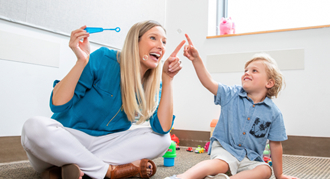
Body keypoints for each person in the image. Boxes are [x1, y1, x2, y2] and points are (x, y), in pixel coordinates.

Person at [21, 20, 186, 179]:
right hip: (67, 138)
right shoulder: (104, 58)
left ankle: (69, 169)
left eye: (164, 42)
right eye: (153, 38)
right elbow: (58, 105)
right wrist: (82, 61)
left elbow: (162, 128)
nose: (161, 46)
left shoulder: (154, 84)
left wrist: (168, 78)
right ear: (135, 42)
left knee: (163, 140)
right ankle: (109, 171)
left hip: (105, 144)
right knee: (33, 127)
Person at [165, 34, 298, 179]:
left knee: (265, 171)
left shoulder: (274, 113)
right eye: (246, 70)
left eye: (254, 70)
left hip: (250, 158)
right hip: (225, 150)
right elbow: (208, 81)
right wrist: (196, 59)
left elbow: (276, 145)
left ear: (269, 83)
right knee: (222, 164)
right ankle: (182, 177)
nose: (247, 72)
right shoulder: (231, 94)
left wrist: (280, 175)